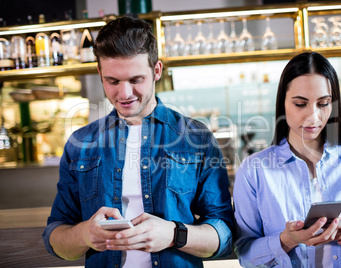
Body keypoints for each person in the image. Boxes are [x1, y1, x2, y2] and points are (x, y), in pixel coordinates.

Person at [42, 17, 234, 267]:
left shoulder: (195, 138)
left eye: (135, 80)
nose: (124, 94)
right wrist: (85, 234)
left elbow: (225, 237)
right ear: (100, 73)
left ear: (156, 71)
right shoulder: (80, 143)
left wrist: (173, 235)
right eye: (113, 81)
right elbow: (57, 240)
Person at [233, 52, 341, 267]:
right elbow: (244, 254)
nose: (314, 116)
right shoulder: (254, 170)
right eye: (301, 104)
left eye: (323, 103)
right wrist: (286, 240)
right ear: (283, 103)